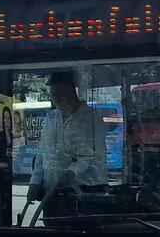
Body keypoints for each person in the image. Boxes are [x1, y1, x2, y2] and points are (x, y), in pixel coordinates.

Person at [27, 71, 109, 210]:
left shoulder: (92, 118)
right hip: (52, 194)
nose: (56, 98)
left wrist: (71, 172)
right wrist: (34, 182)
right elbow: (42, 153)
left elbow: (91, 154)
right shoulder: (51, 118)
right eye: (53, 93)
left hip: (85, 193)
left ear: (72, 91)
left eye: (61, 93)